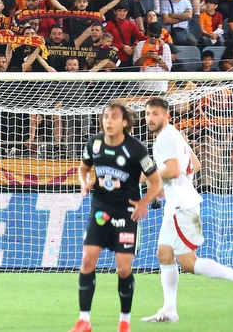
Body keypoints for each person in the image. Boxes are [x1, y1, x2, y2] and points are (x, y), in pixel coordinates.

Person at [140, 97, 233, 323]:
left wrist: (146, 175)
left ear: (166, 116)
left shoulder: (165, 137)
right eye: (147, 114)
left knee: (188, 263)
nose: (150, 118)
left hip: (180, 206)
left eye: (155, 114)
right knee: (164, 255)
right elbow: (195, 163)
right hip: (178, 202)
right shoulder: (176, 134)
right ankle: (170, 310)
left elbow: (173, 171)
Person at [70, 100, 162, 332]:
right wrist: (84, 183)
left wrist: (143, 203)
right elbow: (83, 168)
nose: (108, 121)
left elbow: (156, 181)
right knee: (87, 260)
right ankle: (84, 320)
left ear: (124, 122)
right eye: (105, 117)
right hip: (101, 209)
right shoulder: (94, 144)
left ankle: (124, 321)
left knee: (123, 268)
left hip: (126, 213)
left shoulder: (136, 149)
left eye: (113, 117)